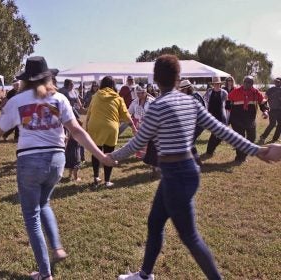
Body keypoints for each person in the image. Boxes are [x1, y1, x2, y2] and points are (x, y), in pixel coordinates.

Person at [109, 55, 271, 280]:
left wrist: (111, 157)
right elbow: (222, 130)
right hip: (184, 171)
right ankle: (144, 275)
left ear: (156, 79)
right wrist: (257, 150)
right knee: (155, 222)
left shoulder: (158, 106)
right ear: (178, 77)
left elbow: (137, 143)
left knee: (190, 237)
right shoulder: (191, 102)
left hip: (176, 176)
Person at [0, 56, 114, 280]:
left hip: (30, 161)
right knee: (44, 203)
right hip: (56, 161)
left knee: (31, 216)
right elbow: (77, 131)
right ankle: (57, 247)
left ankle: (45, 273)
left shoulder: (18, 101)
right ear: (49, 77)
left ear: (25, 80)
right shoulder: (59, 99)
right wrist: (100, 155)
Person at [86, 76, 137, 187]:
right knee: (109, 154)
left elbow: (89, 113)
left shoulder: (95, 96)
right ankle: (107, 181)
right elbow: (126, 114)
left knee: (96, 152)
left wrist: (86, 127)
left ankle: (96, 178)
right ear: (114, 85)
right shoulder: (118, 98)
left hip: (95, 126)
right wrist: (133, 126)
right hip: (111, 127)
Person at [227, 75, 269, 162]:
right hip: (237, 119)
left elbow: (262, 102)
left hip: (250, 119)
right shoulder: (236, 91)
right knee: (240, 139)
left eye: (249, 82)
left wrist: (265, 111)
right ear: (243, 82)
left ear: (252, 84)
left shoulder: (255, 92)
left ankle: (243, 154)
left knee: (252, 137)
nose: (247, 84)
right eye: (245, 82)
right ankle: (240, 157)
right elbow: (227, 103)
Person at [178, 79, 206, 165]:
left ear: (186, 89)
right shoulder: (197, 94)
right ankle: (196, 161)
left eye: (182, 90)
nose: (181, 92)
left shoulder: (191, 98)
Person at [203, 76, 229, 157]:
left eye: (218, 84)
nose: (216, 85)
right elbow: (204, 100)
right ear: (213, 84)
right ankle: (209, 151)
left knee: (222, 135)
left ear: (220, 84)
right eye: (215, 84)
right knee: (214, 134)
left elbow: (227, 105)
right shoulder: (209, 91)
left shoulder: (224, 93)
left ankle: (211, 149)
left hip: (221, 115)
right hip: (211, 116)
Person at [128, 85, 155, 158]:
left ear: (145, 92)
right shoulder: (135, 102)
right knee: (138, 140)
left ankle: (147, 155)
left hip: (148, 123)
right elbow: (129, 111)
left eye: (141, 93)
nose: (139, 95)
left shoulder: (151, 101)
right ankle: (139, 155)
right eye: (138, 93)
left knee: (148, 140)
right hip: (137, 123)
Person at [259, 77, 281, 144]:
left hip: (280, 110)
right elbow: (265, 99)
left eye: (279, 82)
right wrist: (265, 107)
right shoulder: (270, 90)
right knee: (272, 124)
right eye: (276, 81)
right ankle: (263, 137)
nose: (277, 83)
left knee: (280, 124)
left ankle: (275, 138)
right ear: (274, 82)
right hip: (273, 110)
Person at [64, 109, 83, 182]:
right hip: (75, 152)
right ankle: (76, 178)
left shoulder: (70, 131)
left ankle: (69, 175)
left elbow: (67, 139)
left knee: (70, 164)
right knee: (76, 165)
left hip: (69, 151)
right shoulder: (77, 133)